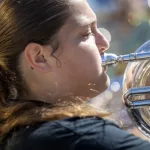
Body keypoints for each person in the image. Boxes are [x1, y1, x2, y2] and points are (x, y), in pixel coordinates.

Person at [0, 0, 150, 150]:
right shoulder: (76, 136)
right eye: (87, 33)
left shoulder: (16, 133)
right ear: (40, 57)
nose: (104, 43)